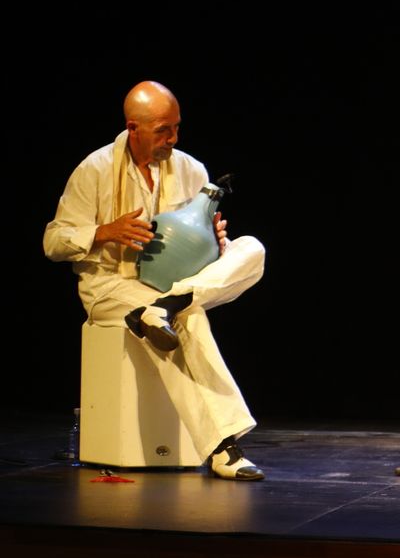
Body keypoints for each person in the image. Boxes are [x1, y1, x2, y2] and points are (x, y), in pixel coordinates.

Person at [43, 81, 268, 480]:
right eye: (164, 130)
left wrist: (215, 244)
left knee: (252, 248)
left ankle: (166, 305)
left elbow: (197, 243)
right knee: (190, 319)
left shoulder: (190, 169)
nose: (174, 138)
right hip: (113, 286)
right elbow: (53, 241)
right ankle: (223, 447)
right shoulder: (94, 169)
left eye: (177, 128)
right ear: (133, 128)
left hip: (174, 284)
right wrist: (103, 232)